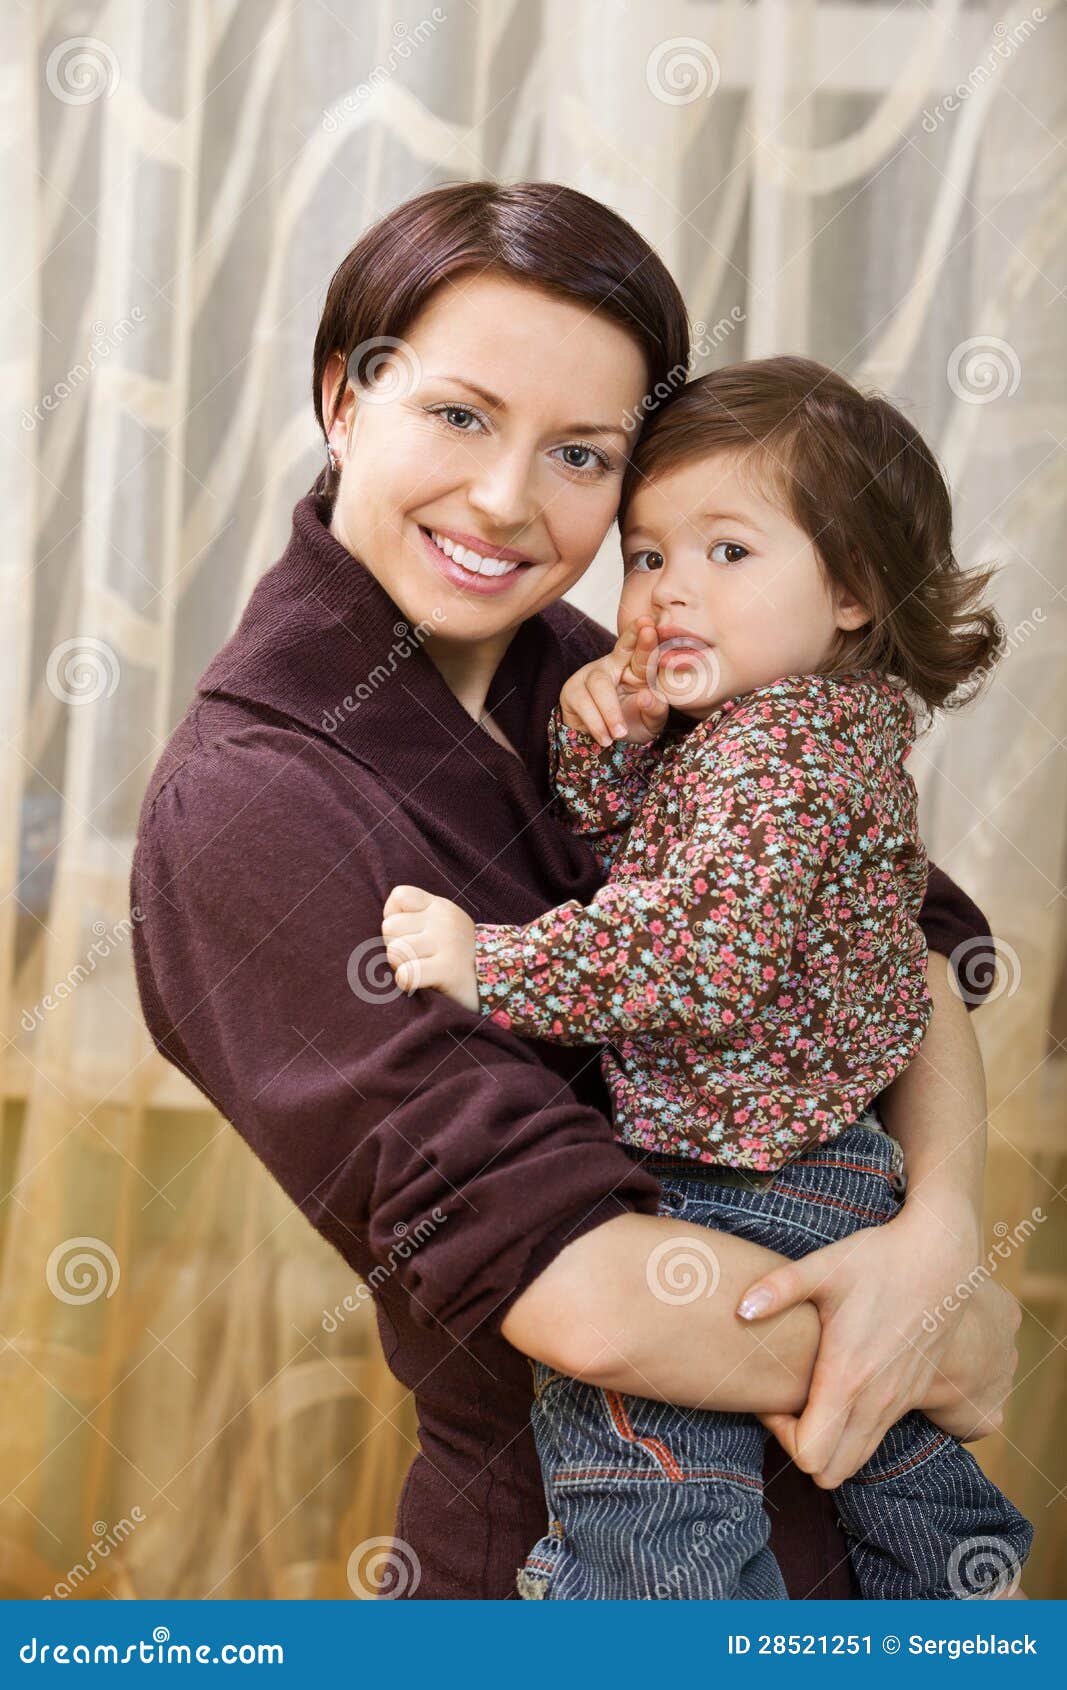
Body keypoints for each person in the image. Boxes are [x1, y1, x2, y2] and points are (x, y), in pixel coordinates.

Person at [130, 184, 1018, 1601]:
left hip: (844, 1551)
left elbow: (900, 943)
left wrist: (937, 1235)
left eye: (580, 454)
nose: (503, 501)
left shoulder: (604, 667)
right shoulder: (251, 805)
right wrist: (938, 1344)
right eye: (459, 415)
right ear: (343, 398)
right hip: (585, 1556)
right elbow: (591, 1303)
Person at [380, 355, 1033, 1601]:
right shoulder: (794, 729)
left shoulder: (774, 759)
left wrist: (488, 962)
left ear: (850, 589)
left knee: (644, 1487)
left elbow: (693, 955)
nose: (668, 591)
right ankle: (957, 1599)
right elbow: (682, 873)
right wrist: (611, 751)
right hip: (828, 1161)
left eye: (726, 553)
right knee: (885, 1450)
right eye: (645, 556)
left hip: (737, 1173)